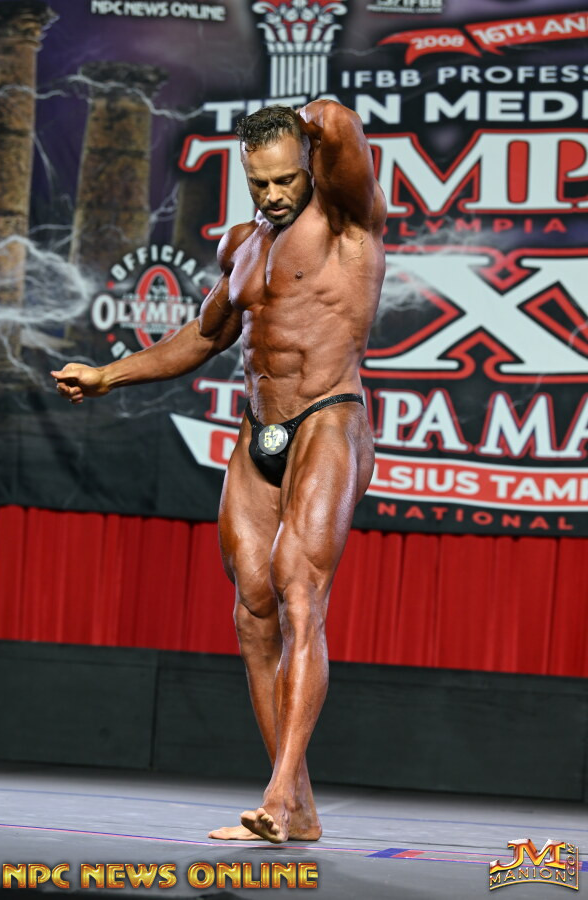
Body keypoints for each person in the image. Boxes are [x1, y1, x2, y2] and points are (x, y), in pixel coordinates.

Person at [52, 100, 387, 844]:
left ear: (309, 164)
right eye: (259, 182)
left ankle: (276, 797)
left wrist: (306, 120)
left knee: (300, 594)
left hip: (328, 418)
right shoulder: (242, 245)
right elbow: (202, 339)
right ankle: (298, 806)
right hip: (258, 429)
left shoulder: (347, 219)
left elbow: (337, 121)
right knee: (252, 613)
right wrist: (108, 375)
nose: (273, 194)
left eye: (285, 178)